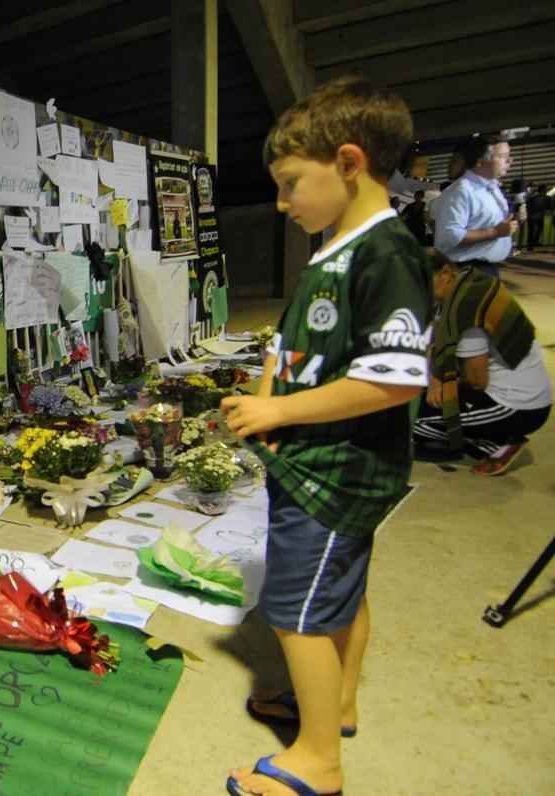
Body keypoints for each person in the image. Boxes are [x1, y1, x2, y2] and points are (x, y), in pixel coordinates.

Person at [220, 76, 431, 796]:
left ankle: (317, 761)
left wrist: (279, 414)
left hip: (337, 470)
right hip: (316, 460)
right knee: (341, 594)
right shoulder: (337, 245)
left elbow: (397, 378)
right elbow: (303, 348)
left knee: (296, 614)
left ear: (348, 162)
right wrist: (268, 392)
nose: (281, 204)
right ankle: (333, 705)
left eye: (289, 185)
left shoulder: (386, 253)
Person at [414, 249, 549, 475]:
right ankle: (490, 437)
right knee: (417, 399)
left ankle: (495, 445)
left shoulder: (467, 310)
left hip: (515, 404)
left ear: (445, 273)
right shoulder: (468, 283)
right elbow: (434, 343)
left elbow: (477, 381)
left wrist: (442, 384)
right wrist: (436, 379)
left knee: (409, 424)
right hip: (517, 393)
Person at [431, 137, 516, 278]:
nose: (509, 161)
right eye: (502, 156)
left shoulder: (491, 187)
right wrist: (495, 232)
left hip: (485, 269)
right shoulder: (461, 191)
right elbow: (451, 235)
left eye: (509, 155)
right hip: (468, 271)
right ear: (480, 161)